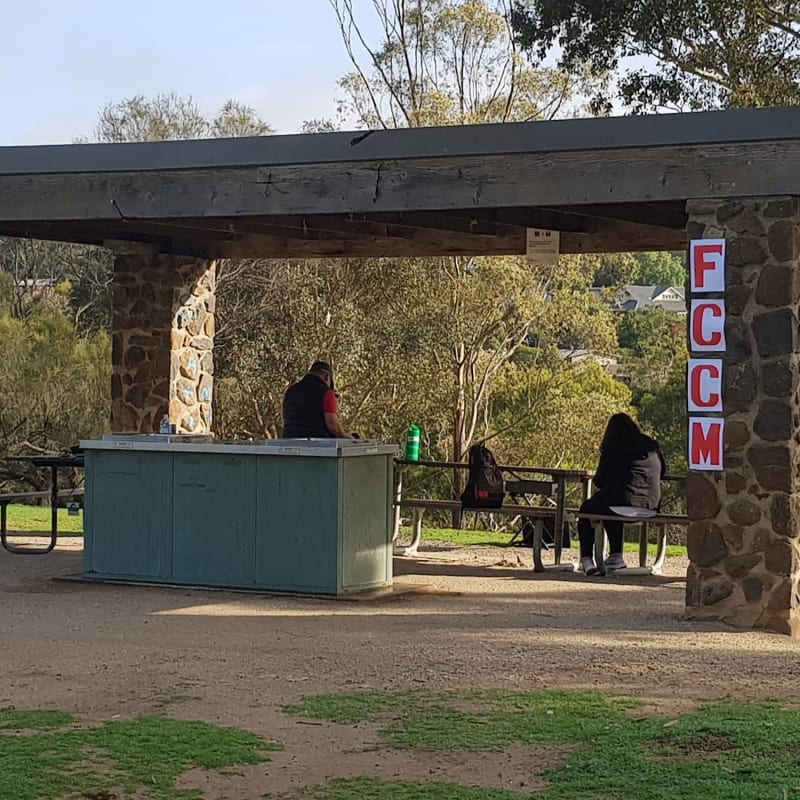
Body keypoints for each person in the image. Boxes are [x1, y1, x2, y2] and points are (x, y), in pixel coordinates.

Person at [578, 413, 666, 575]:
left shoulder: (613, 447)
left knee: (588, 509)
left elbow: (599, 481)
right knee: (612, 502)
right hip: (651, 506)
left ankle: (587, 559)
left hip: (619, 504)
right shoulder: (651, 445)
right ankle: (615, 556)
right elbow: (664, 471)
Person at [282, 360, 355, 439]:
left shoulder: (291, 391)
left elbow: (285, 418)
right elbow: (333, 427)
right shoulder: (327, 393)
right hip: (319, 446)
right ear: (327, 377)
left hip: (289, 443)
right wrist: (347, 437)